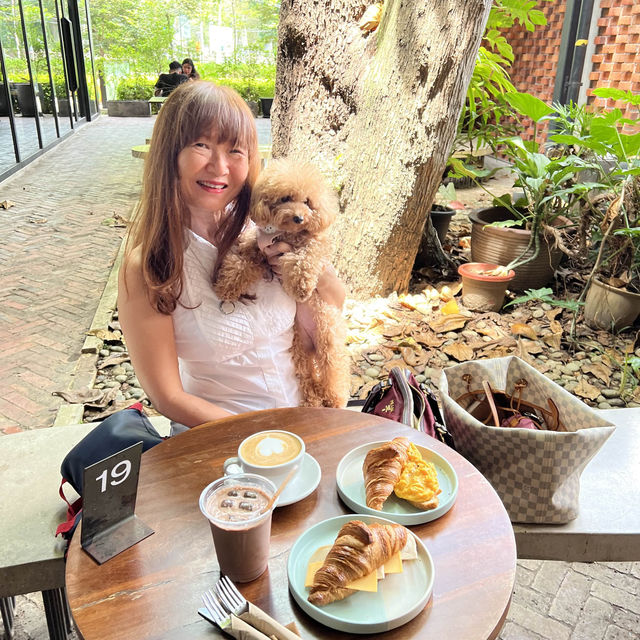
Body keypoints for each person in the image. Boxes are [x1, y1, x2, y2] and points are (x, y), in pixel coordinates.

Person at [117, 81, 345, 435]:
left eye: (235, 151)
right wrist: (262, 435)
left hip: (305, 420)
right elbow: (167, 396)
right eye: (202, 145)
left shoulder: (266, 228)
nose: (220, 166)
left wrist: (319, 276)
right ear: (170, 154)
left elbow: (334, 303)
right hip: (221, 440)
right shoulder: (151, 265)